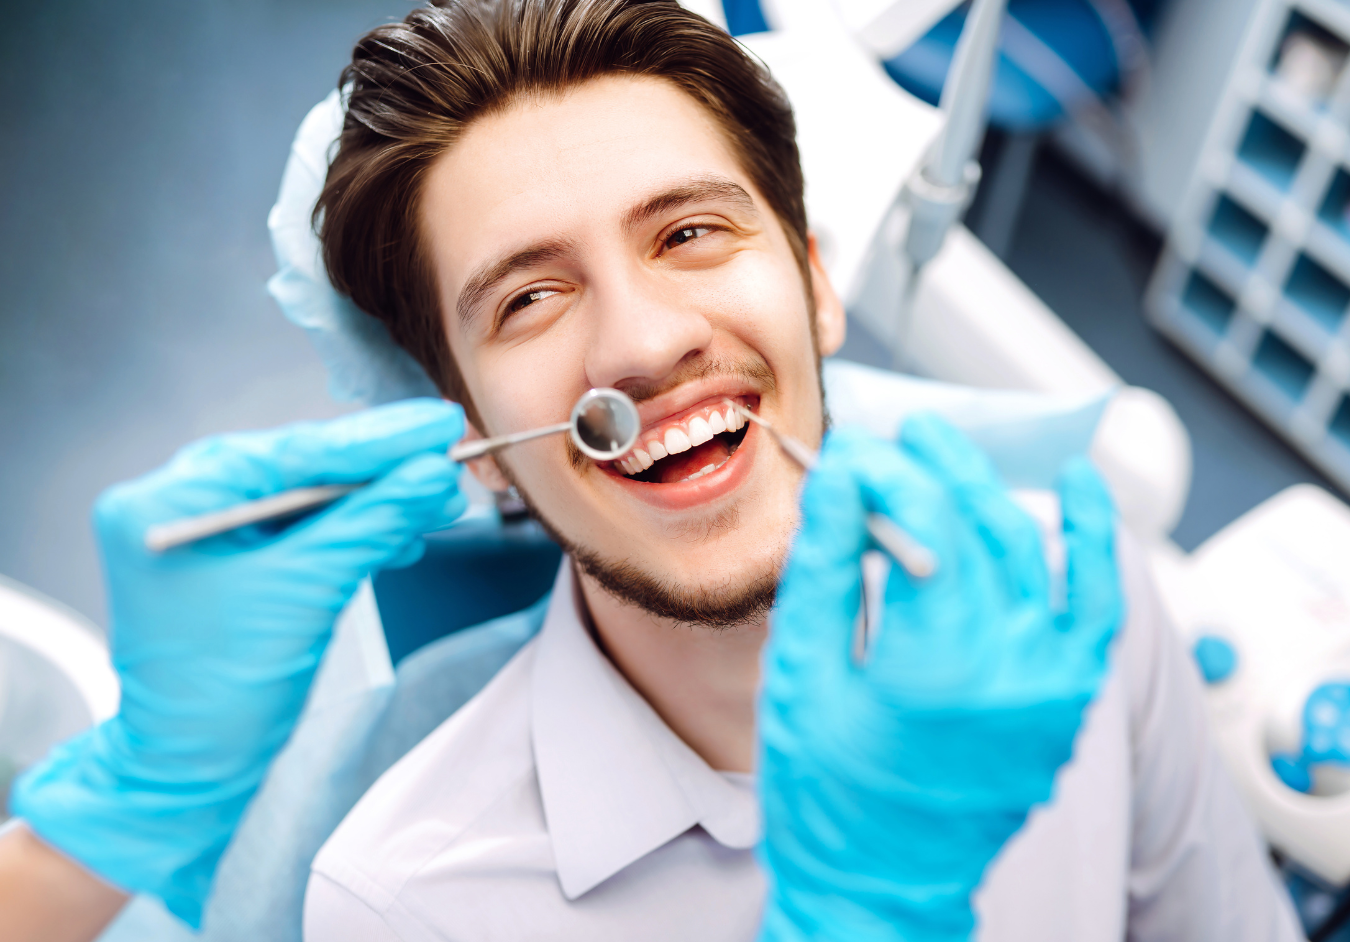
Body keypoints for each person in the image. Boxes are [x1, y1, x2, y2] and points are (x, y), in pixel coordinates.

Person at [0, 2, 1301, 941]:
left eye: (687, 230)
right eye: (526, 299)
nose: (641, 341)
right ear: (470, 438)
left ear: (814, 283)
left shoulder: (1074, 594)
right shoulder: (409, 903)